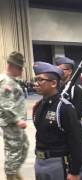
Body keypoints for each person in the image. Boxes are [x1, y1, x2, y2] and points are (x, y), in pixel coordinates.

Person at [32, 61, 82, 180]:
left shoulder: (64, 108)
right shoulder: (39, 106)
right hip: (40, 162)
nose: (36, 83)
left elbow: (76, 141)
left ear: (53, 83)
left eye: (41, 80)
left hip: (57, 163)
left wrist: (74, 171)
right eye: (36, 79)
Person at [54, 56, 82, 179]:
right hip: (60, 132)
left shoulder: (76, 89)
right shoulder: (56, 88)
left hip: (75, 130)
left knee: (78, 165)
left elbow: (77, 114)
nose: (57, 71)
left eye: (61, 69)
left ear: (69, 71)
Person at [0, 51, 29, 180]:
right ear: (11, 66)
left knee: (23, 147)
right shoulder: (5, 82)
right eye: (20, 68)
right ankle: (11, 176)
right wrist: (17, 120)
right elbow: (5, 104)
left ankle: (15, 174)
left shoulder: (12, 81)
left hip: (16, 124)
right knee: (14, 153)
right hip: (11, 124)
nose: (22, 71)